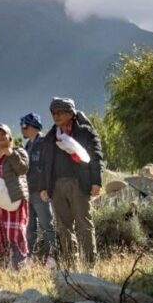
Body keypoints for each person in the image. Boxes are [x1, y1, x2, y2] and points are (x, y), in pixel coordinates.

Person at [40, 97, 103, 266]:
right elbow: (44, 164)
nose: (56, 116)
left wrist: (96, 182)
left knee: (84, 224)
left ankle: (90, 264)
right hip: (57, 187)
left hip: (79, 184)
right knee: (63, 227)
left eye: (60, 112)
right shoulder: (50, 137)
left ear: (71, 113)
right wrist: (45, 187)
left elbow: (96, 157)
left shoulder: (85, 132)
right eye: (54, 112)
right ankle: (71, 266)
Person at [0, 125, 30, 270]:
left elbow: (23, 169)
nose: (0, 137)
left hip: (14, 200)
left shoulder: (18, 151)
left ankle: (20, 267)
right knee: (1, 236)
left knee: (16, 233)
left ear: (10, 137)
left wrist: (10, 154)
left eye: (4, 134)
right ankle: (7, 269)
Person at [20, 113, 57, 267]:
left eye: (24, 126)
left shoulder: (44, 143)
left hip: (40, 192)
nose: (22, 129)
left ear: (31, 126)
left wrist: (46, 188)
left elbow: (48, 167)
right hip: (28, 193)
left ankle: (52, 257)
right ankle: (30, 258)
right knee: (30, 228)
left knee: (47, 225)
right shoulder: (27, 145)